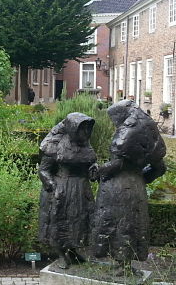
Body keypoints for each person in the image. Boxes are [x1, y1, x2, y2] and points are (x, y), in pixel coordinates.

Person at [89, 100, 167, 274]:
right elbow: (160, 168)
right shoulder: (150, 135)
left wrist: (99, 171)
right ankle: (126, 264)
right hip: (136, 185)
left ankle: (121, 265)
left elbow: (117, 164)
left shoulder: (124, 138)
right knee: (134, 224)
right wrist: (141, 179)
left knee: (119, 224)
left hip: (118, 187)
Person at [38, 112, 98, 269]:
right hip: (62, 187)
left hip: (82, 188)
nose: (85, 133)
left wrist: (93, 171)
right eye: (81, 129)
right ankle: (60, 254)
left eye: (87, 129)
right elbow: (43, 170)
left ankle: (73, 251)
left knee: (80, 222)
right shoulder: (56, 145)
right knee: (60, 222)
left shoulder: (86, 144)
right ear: (72, 128)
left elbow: (89, 164)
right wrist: (51, 185)